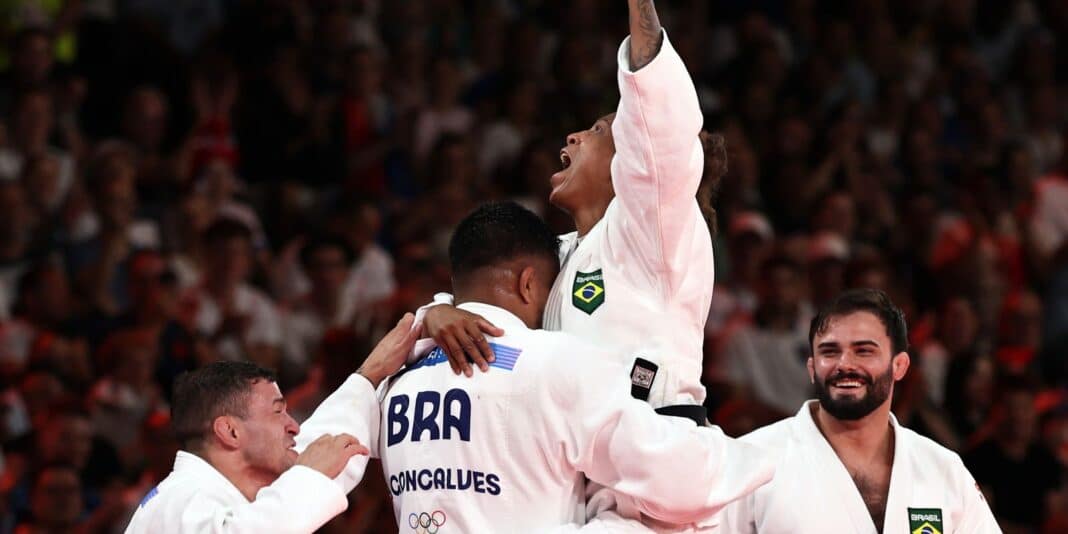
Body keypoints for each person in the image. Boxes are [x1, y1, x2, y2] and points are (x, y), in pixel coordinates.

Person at [420, 2, 724, 527]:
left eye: (598, 131)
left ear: (631, 156)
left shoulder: (655, 228)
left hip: (655, 478)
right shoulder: (559, 254)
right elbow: (492, 294)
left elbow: (665, 135)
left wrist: (639, 9)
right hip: (580, 482)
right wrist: (438, 311)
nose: (573, 138)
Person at [379, 202, 773, 531]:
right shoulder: (556, 361)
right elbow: (676, 477)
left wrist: (431, 311)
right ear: (528, 284)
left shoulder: (391, 378)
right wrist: (759, 457)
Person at [719, 289, 1000, 533]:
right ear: (812, 368)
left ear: (899, 366)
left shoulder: (943, 469)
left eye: (863, 351)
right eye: (829, 352)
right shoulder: (753, 461)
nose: (845, 364)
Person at [125, 313, 421, 533]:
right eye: (278, 412)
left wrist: (368, 376)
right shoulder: (178, 503)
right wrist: (309, 474)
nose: (293, 426)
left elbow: (315, 449)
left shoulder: (232, 496)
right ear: (230, 431)